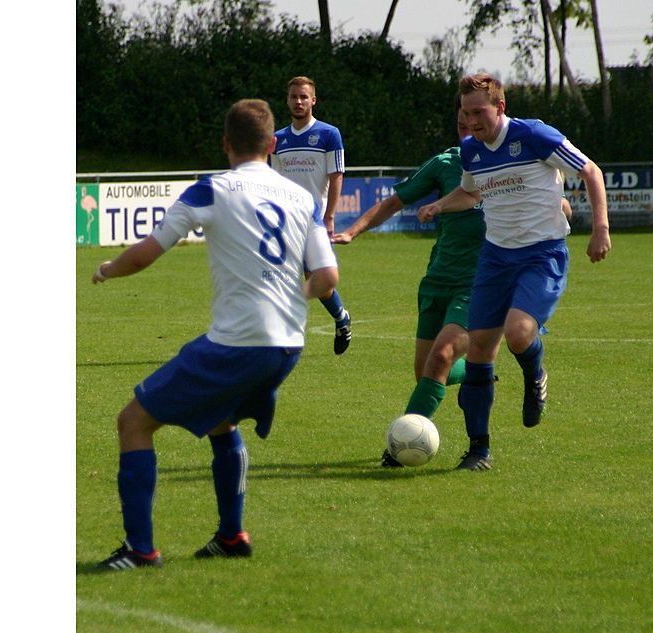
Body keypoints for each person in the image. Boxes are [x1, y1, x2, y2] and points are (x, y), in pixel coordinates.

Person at [91, 99, 339, 570]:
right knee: (221, 421)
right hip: (286, 344)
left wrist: (107, 269)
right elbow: (327, 278)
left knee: (134, 422)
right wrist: (287, 295)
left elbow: (146, 252)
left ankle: (140, 550)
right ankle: (231, 537)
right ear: (272, 145)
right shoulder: (301, 198)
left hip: (239, 342)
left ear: (225, 144)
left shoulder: (212, 190)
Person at [418, 73, 611, 471]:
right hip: (495, 258)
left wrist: (600, 229)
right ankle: (478, 449)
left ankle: (535, 374)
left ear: (500, 107)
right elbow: (471, 191)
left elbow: (591, 171)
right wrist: (440, 205)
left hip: (542, 254)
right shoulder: (470, 150)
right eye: (465, 113)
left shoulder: (536, 135)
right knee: (480, 353)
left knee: (519, 333)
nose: (471, 121)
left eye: (478, 112)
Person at [332, 99, 484, 467]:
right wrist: (353, 231)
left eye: (473, 124)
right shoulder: (445, 163)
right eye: (461, 124)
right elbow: (394, 202)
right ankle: (482, 369)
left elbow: (550, 200)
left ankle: (398, 449)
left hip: (479, 281)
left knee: (441, 358)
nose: (467, 130)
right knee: (427, 372)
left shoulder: (508, 165)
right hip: (437, 280)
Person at [271, 76, 353, 355]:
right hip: (285, 222)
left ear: (313, 100)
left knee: (317, 280)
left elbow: (336, 176)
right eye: (294, 96)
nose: (298, 101)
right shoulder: (277, 139)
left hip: (314, 222)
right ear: (287, 100)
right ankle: (282, 336)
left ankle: (341, 319)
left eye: (304, 97)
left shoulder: (329, 134)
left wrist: (330, 216)